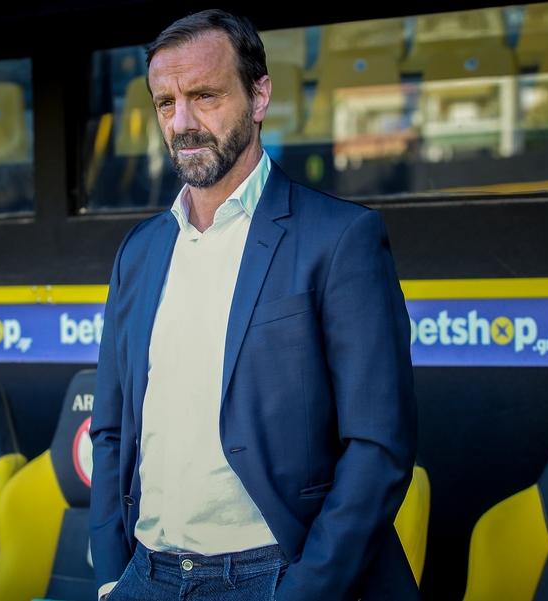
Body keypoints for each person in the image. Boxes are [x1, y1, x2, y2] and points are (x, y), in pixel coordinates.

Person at [89, 9, 418, 601]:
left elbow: (378, 446)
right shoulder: (138, 251)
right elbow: (112, 429)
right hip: (146, 575)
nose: (182, 122)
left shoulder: (340, 238)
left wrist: (306, 590)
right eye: (165, 103)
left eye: (205, 96)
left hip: (275, 575)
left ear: (259, 96)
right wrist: (113, 573)